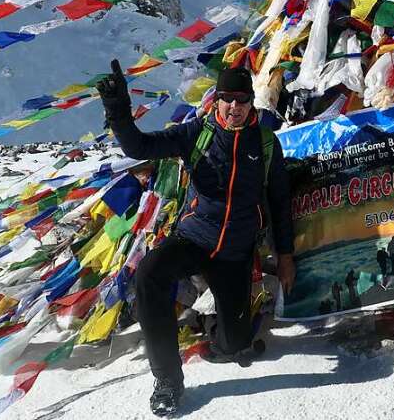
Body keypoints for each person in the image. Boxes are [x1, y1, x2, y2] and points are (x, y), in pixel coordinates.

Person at [97, 61, 295, 417]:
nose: (233, 107)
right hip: (193, 238)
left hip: (234, 253)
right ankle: (169, 380)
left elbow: (280, 200)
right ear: (215, 101)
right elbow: (138, 146)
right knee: (149, 275)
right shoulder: (195, 135)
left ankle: (215, 329)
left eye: (241, 99)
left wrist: (285, 255)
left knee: (234, 344)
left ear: (252, 102)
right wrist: (118, 110)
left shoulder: (265, 144)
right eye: (226, 99)